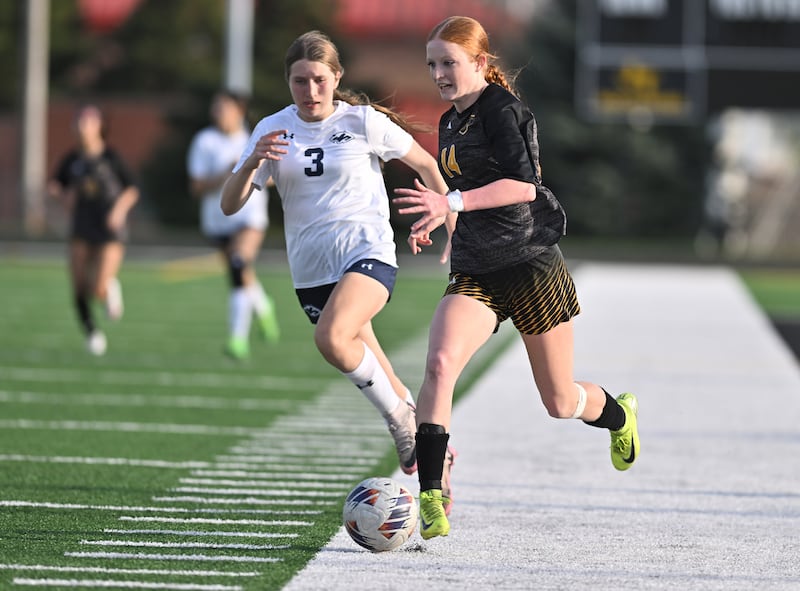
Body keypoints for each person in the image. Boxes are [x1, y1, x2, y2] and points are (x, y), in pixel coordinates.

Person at [393, 16, 640, 540]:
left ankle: (619, 416)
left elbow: (522, 187)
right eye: (432, 64)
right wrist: (440, 221)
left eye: (449, 63)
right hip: (477, 268)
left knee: (559, 402)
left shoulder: (504, 111)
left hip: (529, 265)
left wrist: (450, 200)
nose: (439, 73)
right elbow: (463, 198)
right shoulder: (448, 122)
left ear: (480, 63)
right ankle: (433, 496)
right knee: (439, 364)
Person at [220, 30, 456, 506]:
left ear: (337, 78)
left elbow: (429, 166)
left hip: (367, 252)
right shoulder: (272, 128)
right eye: (299, 81)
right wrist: (251, 163)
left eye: (319, 80)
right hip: (310, 272)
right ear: (288, 81)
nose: (310, 91)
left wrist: (447, 221)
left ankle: (399, 425)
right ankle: (438, 471)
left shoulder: (363, 121)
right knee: (386, 379)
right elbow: (229, 206)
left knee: (331, 339)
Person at [187, 89, 281, 360]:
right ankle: (264, 307)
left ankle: (237, 340)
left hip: (249, 218)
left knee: (239, 266)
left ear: (239, 111)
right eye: (215, 108)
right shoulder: (204, 141)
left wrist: (250, 171)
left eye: (224, 107)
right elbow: (196, 186)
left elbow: (274, 174)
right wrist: (228, 174)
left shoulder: (254, 139)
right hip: (217, 221)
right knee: (241, 275)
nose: (218, 113)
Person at [48, 104, 139, 356]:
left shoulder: (111, 157)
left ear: (100, 125)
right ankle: (91, 332)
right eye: (78, 121)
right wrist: (62, 197)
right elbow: (55, 185)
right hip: (81, 226)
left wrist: (118, 212)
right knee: (78, 287)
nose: (81, 126)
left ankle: (110, 288)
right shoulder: (71, 159)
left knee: (98, 287)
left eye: (88, 121)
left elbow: (131, 189)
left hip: (109, 229)